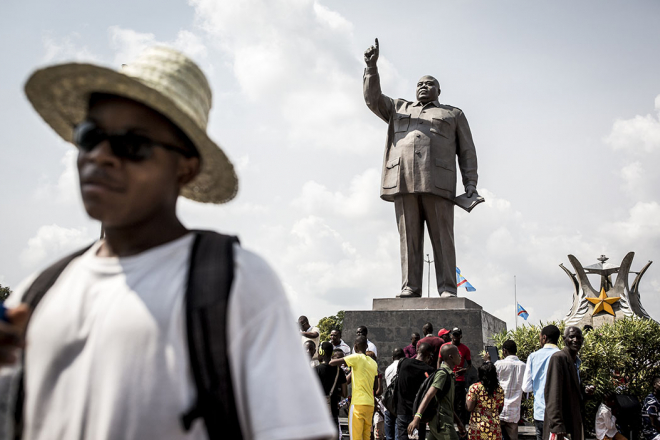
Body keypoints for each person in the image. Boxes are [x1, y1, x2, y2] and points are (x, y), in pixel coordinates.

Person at [0, 46, 335, 440]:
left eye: (133, 143)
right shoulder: (39, 292)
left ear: (186, 166)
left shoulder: (237, 284)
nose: (100, 156)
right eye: (90, 136)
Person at [363, 38, 479, 299]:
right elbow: (372, 100)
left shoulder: (452, 114)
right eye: (419, 84)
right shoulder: (398, 108)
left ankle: (448, 288)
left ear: (439, 90)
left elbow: (468, 152)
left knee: (443, 239)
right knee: (408, 239)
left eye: (429, 84)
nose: (423, 87)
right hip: (402, 180)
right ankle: (410, 286)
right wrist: (371, 68)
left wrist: (470, 183)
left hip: (438, 182)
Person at [543, 326, 594, 440]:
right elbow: (553, 395)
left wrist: (584, 392)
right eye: (571, 337)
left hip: (573, 423)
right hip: (562, 428)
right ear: (564, 339)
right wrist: (557, 426)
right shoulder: (558, 358)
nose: (575, 340)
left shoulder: (575, 361)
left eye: (578, 337)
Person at [408, 344, 466, 440]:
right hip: (442, 424)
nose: (460, 356)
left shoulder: (450, 374)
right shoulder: (442, 374)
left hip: (441, 422)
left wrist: (458, 422)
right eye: (458, 354)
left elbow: (446, 403)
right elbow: (428, 395)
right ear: (450, 357)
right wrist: (417, 418)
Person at [330, 336, 379, 440]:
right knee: (366, 437)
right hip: (370, 405)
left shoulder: (356, 357)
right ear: (366, 346)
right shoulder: (373, 363)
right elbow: (376, 386)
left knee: (355, 437)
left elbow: (332, 362)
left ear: (355, 347)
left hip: (357, 404)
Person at [521, 325, 561, 440]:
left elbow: (526, 387)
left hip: (540, 412)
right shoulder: (563, 356)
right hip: (558, 414)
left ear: (544, 338)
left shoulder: (533, 357)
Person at [486, 340, 526, 440]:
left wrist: (488, 362)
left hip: (499, 409)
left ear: (504, 351)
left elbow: (490, 382)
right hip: (514, 410)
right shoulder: (523, 366)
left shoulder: (499, 364)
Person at [395, 342, 436, 440]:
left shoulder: (403, 363)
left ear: (417, 351)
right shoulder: (429, 370)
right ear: (428, 355)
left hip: (402, 412)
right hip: (418, 414)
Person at [316, 341, 348, 437]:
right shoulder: (339, 371)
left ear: (321, 352)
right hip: (333, 410)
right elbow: (344, 393)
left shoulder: (316, 370)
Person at [441, 327, 472, 426]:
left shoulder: (465, 348)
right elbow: (439, 361)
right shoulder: (445, 347)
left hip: (459, 380)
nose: (455, 337)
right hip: (447, 378)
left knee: (459, 404)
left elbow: (469, 364)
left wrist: (465, 370)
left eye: (457, 335)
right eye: (454, 334)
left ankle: (461, 425)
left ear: (461, 336)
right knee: (447, 402)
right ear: (451, 336)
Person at [466, 362, 504, 440]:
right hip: (494, 427)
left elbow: (469, 408)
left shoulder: (475, 388)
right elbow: (499, 409)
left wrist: (467, 396)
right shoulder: (499, 389)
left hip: (477, 426)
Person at [384, 348, 406, 440]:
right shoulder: (404, 367)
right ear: (403, 357)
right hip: (400, 405)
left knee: (389, 436)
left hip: (388, 404)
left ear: (392, 357)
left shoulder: (388, 368)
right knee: (398, 435)